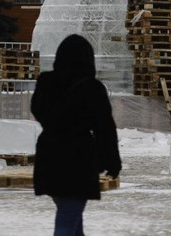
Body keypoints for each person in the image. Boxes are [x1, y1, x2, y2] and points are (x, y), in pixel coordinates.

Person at [32, 34, 121, 236]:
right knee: (68, 215)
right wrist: (112, 161)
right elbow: (104, 129)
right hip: (78, 158)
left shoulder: (45, 82)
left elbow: (38, 110)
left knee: (70, 212)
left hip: (49, 155)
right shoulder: (93, 88)